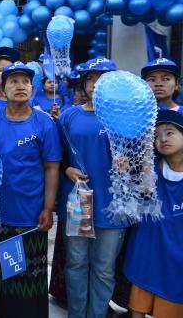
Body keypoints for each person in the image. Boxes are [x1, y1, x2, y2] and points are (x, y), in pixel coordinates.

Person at [0, 61, 62, 318]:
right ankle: (3, 311)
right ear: (3, 88)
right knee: (6, 271)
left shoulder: (44, 122)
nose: (20, 86)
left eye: (25, 81)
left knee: (31, 274)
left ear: (32, 87)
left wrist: (48, 208)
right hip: (0, 211)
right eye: (13, 81)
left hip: (32, 213)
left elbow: (52, 167)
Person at [58, 58, 127, 318]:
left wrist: (128, 162)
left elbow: (142, 158)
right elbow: (56, 155)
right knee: (76, 263)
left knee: (104, 268)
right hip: (78, 201)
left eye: (104, 78)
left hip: (114, 206)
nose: (96, 84)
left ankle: (97, 314)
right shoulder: (68, 116)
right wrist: (67, 168)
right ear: (84, 84)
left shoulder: (126, 116)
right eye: (91, 78)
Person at [124, 109, 183, 318]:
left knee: (172, 298)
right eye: (156, 136)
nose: (163, 139)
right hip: (149, 245)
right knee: (138, 305)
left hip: (177, 249)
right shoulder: (149, 168)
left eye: (170, 133)